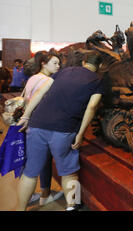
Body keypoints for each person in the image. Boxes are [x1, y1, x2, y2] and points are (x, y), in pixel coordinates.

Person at [16, 51, 103, 211]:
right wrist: (81, 133)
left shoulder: (63, 72)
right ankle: (72, 207)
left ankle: (20, 209)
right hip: (63, 129)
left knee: (30, 172)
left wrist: (26, 116)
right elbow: (92, 106)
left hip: (37, 124)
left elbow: (40, 92)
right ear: (100, 66)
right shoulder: (97, 80)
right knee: (69, 173)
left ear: (84, 62)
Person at [22, 50, 63, 206]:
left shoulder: (33, 78)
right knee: (42, 162)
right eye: (55, 63)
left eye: (59, 63)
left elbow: (26, 99)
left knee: (32, 162)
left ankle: (32, 195)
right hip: (40, 124)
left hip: (29, 124)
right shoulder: (48, 81)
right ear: (43, 64)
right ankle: (45, 194)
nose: (58, 66)